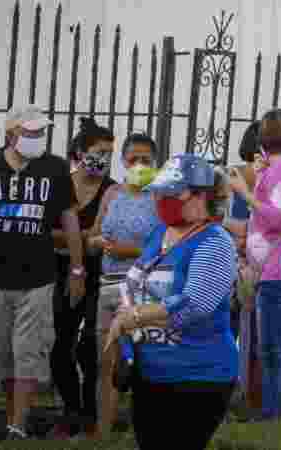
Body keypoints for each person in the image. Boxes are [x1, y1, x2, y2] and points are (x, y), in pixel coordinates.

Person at [0, 104, 83, 441]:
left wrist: (78, 268)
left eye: (41, 132)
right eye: (31, 132)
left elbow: (69, 219)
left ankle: (17, 425)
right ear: (12, 134)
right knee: (4, 355)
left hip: (38, 279)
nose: (38, 137)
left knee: (28, 352)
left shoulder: (54, 168)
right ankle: (14, 418)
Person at [103, 154, 238, 450]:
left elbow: (194, 305)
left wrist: (135, 317)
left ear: (200, 195)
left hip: (197, 376)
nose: (161, 199)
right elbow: (135, 284)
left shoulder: (214, 242)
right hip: (150, 373)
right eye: (159, 192)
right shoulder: (159, 234)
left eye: (171, 193)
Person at [230, 109, 281, 420]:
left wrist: (245, 194)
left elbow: (279, 218)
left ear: (263, 141)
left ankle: (273, 420)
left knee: (272, 352)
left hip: (279, 267)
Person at [48, 117, 119, 438]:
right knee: (59, 345)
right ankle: (71, 410)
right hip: (59, 273)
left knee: (91, 344)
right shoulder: (60, 183)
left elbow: (102, 235)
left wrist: (71, 237)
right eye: (98, 151)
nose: (103, 159)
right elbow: (45, 233)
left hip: (98, 276)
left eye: (109, 153)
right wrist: (81, 238)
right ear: (80, 151)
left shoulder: (112, 190)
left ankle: (90, 415)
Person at [92, 133, 160, 440]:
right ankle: (102, 432)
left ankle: (143, 432)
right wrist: (98, 243)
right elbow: (93, 235)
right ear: (123, 162)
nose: (139, 165)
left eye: (146, 160)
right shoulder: (112, 194)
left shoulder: (160, 198)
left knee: (143, 364)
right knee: (107, 362)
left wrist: (127, 251)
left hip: (144, 288)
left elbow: (164, 247)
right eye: (133, 159)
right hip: (109, 286)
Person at [226, 120, 262, 413]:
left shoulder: (275, 180)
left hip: (260, 267)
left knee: (256, 336)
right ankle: (227, 388)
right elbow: (215, 217)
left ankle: (251, 393)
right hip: (230, 266)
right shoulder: (230, 177)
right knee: (227, 330)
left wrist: (245, 232)